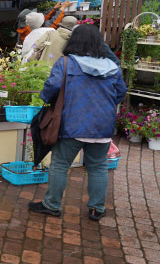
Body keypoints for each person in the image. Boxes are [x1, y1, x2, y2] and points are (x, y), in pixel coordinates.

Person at [29, 24, 127, 221]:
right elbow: (120, 93)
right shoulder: (112, 67)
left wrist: (45, 98)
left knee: (59, 164)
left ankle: (52, 204)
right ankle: (97, 208)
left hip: (72, 125)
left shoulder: (66, 63)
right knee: (98, 167)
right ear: (100, 43)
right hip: (102, 127)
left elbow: (51, 88)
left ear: (72, 41)